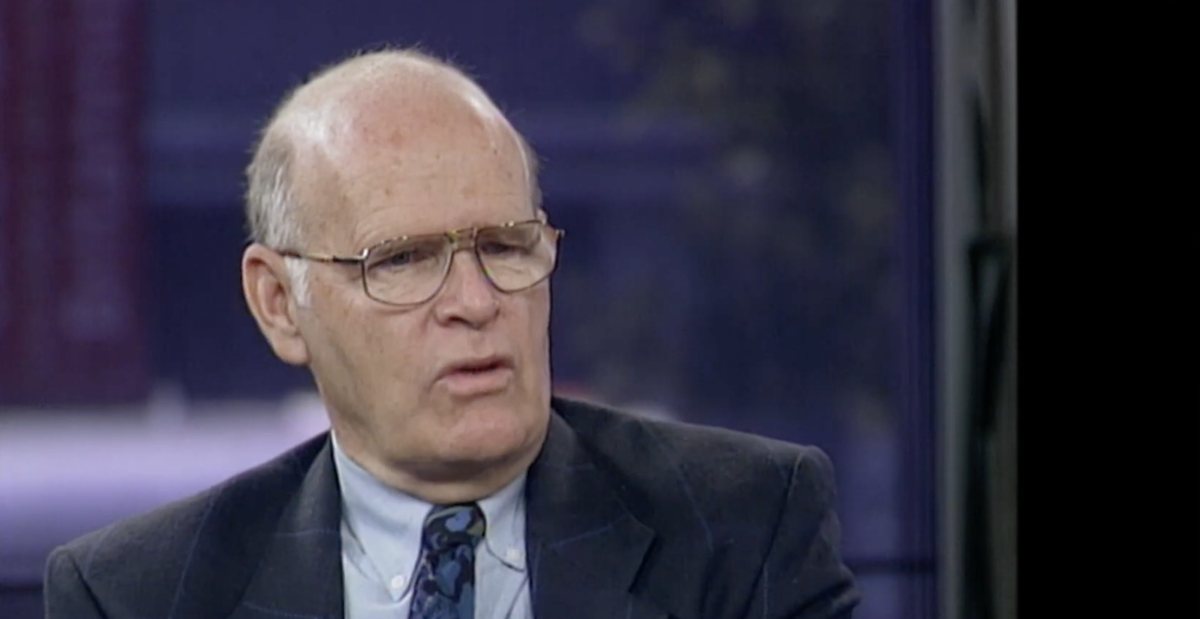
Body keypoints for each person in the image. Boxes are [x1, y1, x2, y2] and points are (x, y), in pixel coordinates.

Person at [42, 47, 860, 619]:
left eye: (504, 246)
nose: (475, 300)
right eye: (401, 260)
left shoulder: (742, 527)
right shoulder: (138, 594)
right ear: (280, 303)